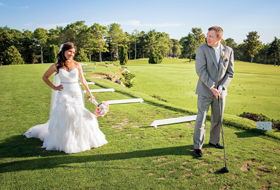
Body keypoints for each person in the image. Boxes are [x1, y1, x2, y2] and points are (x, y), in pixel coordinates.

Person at [24, 42, 107, 154]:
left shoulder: (77, 65)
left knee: (78, 115)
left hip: (76, 93)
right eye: (69, 51)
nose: (71, 54)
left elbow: (83, 80)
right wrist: (54, 87)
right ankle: (65, 142)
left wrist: (90, 94)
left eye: (73, 52)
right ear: (63, 51)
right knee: (65, 116)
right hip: (64, 93)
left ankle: (81, 140)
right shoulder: (57, 66)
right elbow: (45, 77)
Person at [193, 26, 234, 157]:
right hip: (205, 91)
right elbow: (201, 70)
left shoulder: (228, 51)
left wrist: (221, 87)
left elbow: (230, 73)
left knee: (217, 118)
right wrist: (212, 87)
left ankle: (214, 141)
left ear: (219, 38)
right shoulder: (202, 49)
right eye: (207, 35)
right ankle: (198, 146)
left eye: (211, 36)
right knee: (201, 119)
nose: (208, 38)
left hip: (221, 93)